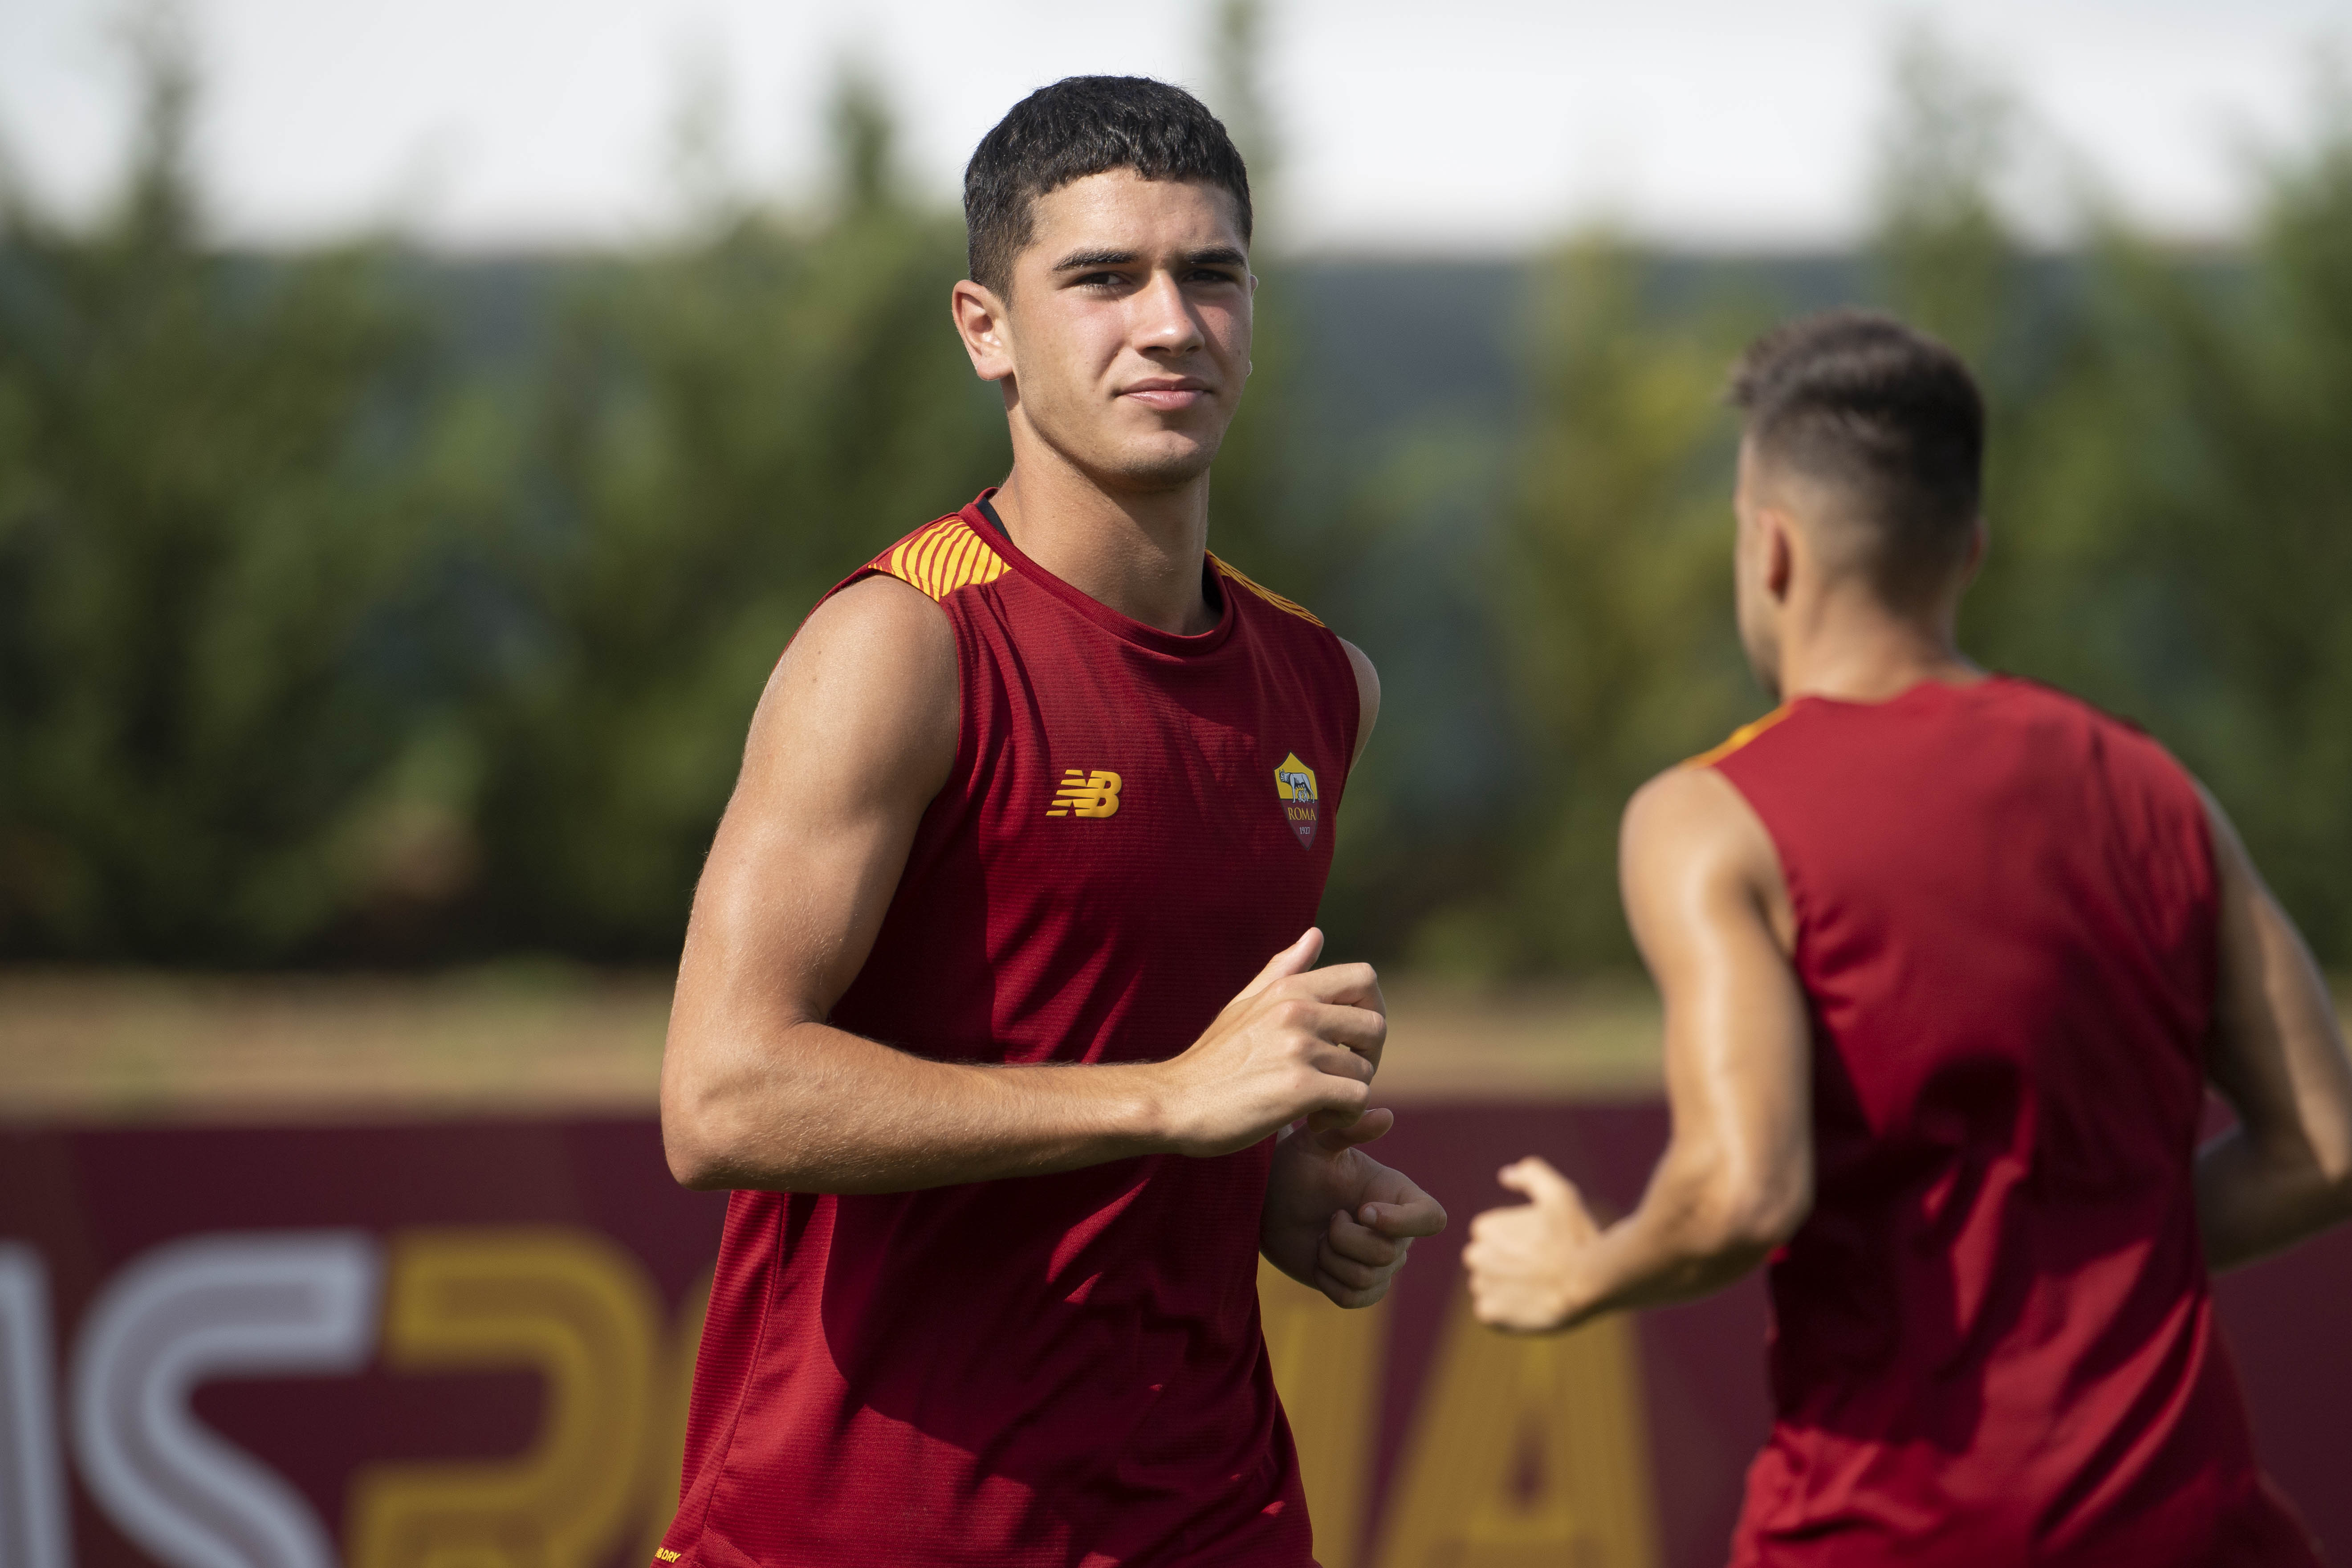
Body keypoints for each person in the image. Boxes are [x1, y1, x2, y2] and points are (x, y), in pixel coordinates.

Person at [653, 76, 1445, 1568]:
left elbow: (1165, 1053)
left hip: (1210, 1516)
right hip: (868, 1525)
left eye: (1210, 275)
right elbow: (722, 1096)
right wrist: (1165, 1101)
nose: (1167, 322)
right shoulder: (899, 645)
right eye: (1100, 278)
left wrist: (1277, 1187)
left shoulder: (1322, 681)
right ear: (984, 329)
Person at [1461, 308, 2352, 1566]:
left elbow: (1738, 1190)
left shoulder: (1711, 818)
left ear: (1767, 550)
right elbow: (2325, 1143)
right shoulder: (2159, 792)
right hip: (2187, 1524)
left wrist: (1578, 1273)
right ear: (1969, 549)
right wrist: (2088, 1263)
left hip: (1889, 1529)